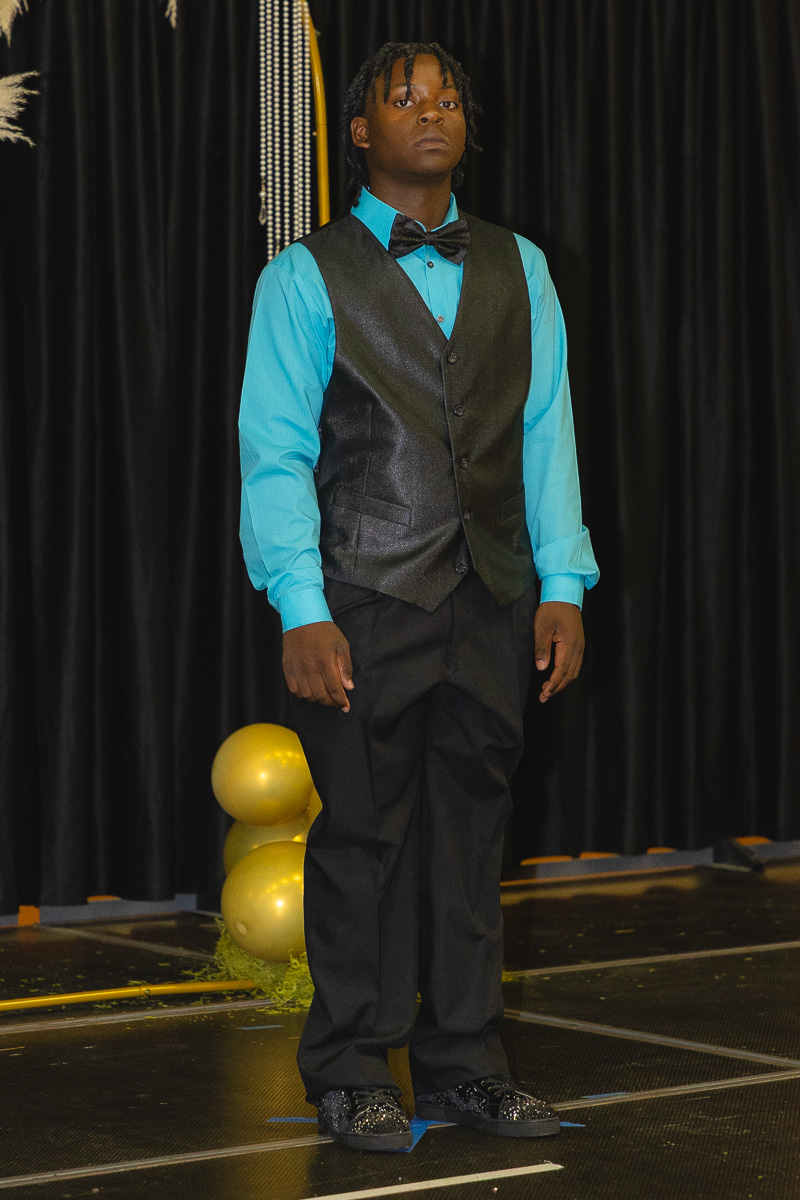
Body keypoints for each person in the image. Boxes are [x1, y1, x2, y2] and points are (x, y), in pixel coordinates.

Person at [238, 41, 599, 1153]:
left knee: (468, 843)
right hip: (360, 603)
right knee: (361, 843)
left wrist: (562, 581)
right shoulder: (304, 275)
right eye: (403, 98)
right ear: (359, 131)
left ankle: (464, 1063)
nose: (429, 112)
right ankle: (350, 1067)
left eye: (445, 97)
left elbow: (546, 435)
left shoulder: (520, 266)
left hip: (491, 599)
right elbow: (273, 454)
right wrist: (300, 605)